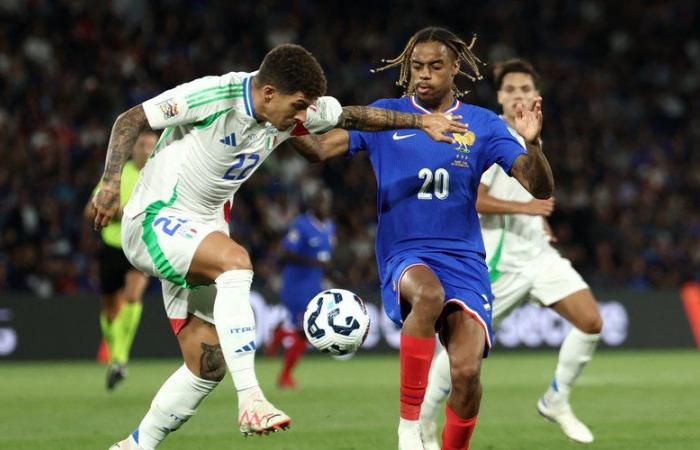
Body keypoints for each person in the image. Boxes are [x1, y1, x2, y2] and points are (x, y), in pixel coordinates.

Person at [94, 43, 467, 450]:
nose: (304, 116)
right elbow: (131, 119)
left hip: (200, 229)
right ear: (269, 93)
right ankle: (251, 398)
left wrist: (419, 121)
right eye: (299, 106)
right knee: (236, 262)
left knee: (206, 364)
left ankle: (134, 445)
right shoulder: (214, 94)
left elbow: (355, 115)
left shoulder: (294, 111)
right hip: (154, 218)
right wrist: (111, 183)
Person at [289, 27, 554, 450]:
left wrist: (534, 143)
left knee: (466, 375)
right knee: (427, 295)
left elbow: (538, 188)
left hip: (466, 260)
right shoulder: (386, 115)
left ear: (454, 70)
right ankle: (409, 428)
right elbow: (319, 150)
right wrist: (290, 124)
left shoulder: (482, 124)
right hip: (405, 252)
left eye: (435, 66)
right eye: (416, 67)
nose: (423, 75)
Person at [420, 58, 603, 447]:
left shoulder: (530, 135)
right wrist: (528, 209)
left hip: (538, 253)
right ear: (499, 97)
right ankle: (422, 419)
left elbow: (527, 190)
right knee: (462, 356)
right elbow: (476, 198)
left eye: (524, 89)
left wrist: (540, 221)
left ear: (534, 96)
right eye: (510, 90)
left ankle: (555, 400)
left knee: (590, 321)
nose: (517, 95)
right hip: (500, 260)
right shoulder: (485, 135)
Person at [83, 130, 156, 390]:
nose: (145, 149)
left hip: (140, 245)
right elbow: (89, 209)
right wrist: (110, 211)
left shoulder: (159, 175)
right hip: (112, 246)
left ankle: (120, 358)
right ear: (133, 148)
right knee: (110, 309)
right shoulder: (116, 175)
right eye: (141, 144)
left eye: (150, 145)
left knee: (134, 296)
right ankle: (115, 358)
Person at [268, 187, 337, 388]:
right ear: (313, 204)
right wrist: (315, 263)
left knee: (306, 331)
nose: (323, 205)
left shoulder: (330, 226)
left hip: (315, 286)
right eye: (319, 201)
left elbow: (325, 258)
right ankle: (285, 376)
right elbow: (284, 254)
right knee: (305, 332)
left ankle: (280, 333)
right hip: (296, 285)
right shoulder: (301, 225)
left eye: (325, 201)